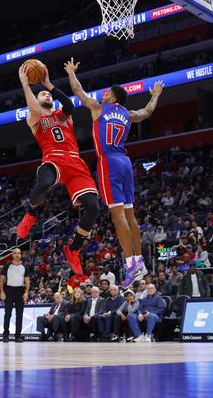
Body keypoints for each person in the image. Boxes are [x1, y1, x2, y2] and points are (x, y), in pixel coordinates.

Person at [65, 57, 164, 288]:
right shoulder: (128, 114)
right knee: (130, 215)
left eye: (107, 92)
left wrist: (71, 72)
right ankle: (140, 262)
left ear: (113, 97)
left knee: (117, 215)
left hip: (108, 161)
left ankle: (131, 265)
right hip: (125, 162)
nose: (103, 94)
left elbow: (78, 92)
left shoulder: (98, 108)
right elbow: (147, 112)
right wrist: (156, 95)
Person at [14, 63, 100, 276]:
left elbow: (70, 105)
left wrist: (49, 84)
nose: (46, 96)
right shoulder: (34, 117)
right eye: (42, 94)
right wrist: (25, 84)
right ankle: (31, 214)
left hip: (75, 162)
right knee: (43, 184)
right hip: (53, 160)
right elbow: (33, 106)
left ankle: (73, 249)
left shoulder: (63, 114)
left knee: (93, 208)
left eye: (47, 94)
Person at [0, 248, 31, 343]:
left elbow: (27, 281)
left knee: (19, 315)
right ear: (12, 255)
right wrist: (2, 291)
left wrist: (26, 292)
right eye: (16, 253)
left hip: (20, 291)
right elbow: (2, 280)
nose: (18, 255)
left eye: (19, 253)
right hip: (9, 290)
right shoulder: (7, 266)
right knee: (7, 314)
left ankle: (18, 336)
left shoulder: (24, 267)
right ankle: (5, 335)